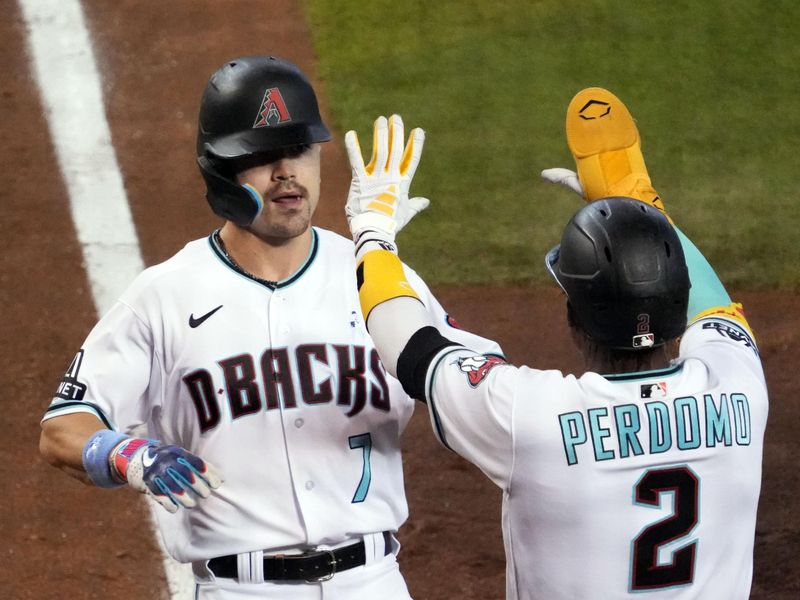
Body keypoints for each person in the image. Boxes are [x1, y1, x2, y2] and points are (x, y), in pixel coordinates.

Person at [39, 55, 501, 600]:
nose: (287, 172)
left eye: (300, 150)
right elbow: (63, 427)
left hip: (372, 583)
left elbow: (482, 384)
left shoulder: (375, 275)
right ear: (219, 171)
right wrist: (130, 456)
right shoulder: (164, 296)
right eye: (261, 157)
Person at [343, 87, 767, 599]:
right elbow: (716, 307)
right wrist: (639, 202)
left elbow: (408, 345)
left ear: (574, 319)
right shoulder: (739, 385)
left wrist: (373, 233)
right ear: (677, 308)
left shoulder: (530, 417)